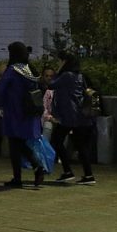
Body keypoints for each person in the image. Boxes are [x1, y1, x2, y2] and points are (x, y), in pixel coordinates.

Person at [0, 41, 45, 188]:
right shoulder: (31, 70)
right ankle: (35, 167)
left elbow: (1, 88)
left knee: (14, 144)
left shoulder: (12, 70)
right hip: (28, 112)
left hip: (13, 112)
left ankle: (19, 177)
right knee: (20, 143)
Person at [48, 53, 96, 185]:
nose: (58, 63)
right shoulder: (79, 76)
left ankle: (69, 171)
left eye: (60, 61)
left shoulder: (66, 75)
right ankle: (88, 175)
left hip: (69, 116)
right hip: (80, 116)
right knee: (80, 146)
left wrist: (57, 72)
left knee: (57, 140)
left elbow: (51, 84)